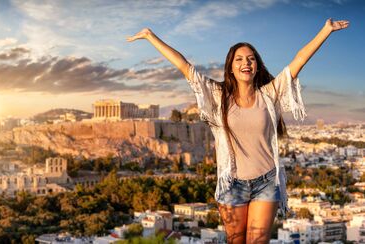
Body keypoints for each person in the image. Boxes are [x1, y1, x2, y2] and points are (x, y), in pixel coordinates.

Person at [127, 18, 349, 243]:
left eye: (251, 59)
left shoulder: (269, 94)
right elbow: (185, 67)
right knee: (235, 240)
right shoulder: (218, 95)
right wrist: (150, 36)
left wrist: (326, 30)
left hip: (267, 181)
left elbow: (298, 61)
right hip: (232, 183)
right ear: (231, 67)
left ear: (257, 66)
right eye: (240, 59)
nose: (246, 63)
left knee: (258, 240)